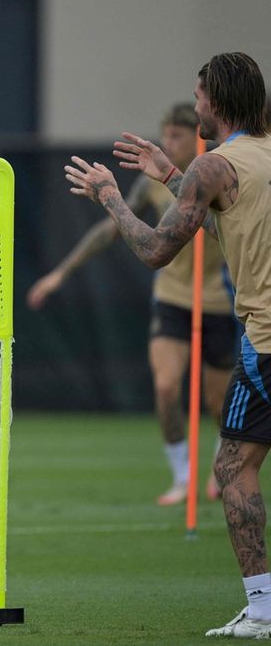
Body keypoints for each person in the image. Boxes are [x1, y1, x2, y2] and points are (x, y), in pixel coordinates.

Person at [65, 52, 271, 639]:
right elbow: (226, 220)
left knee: (234, 470)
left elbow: (157, 249)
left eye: (199, 96)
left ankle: (262, 611)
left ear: (218, 101)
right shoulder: (255, 157)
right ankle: (261, 609)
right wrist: (167, 176)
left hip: (267, 339)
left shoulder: (215, 165)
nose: (195, 104)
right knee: (238, 465)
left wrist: (109, 195)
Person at [28, 103, 234, 506]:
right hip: (173, 299)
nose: (168, 143)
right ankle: (181, 475)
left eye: (177, 136)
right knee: (165, 386)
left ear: (198, 137)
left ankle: (219, 469)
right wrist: (60, 273)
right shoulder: (152, 185)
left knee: (218, 403)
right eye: (166, 134)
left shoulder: (218, 176)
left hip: (218, 302)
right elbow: (111, 229)